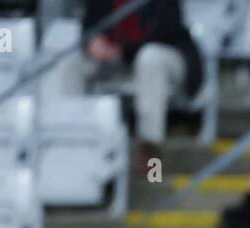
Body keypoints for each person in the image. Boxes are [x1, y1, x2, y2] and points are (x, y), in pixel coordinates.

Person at [82, 0, 203, 169]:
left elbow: (162, 32)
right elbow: (90, 24)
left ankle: (151, 151)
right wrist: (93, 41)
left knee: (149, 58)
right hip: (118, 65)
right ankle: (75, 143)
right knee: (72, 63)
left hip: (167, 59)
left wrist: (120, 51)